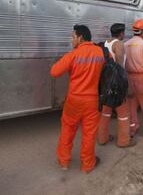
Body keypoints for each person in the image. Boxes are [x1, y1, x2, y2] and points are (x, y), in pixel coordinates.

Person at [50, 25, 105, 173]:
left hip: (74, 100)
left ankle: (64, 162)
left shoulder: (73, 55)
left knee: (68, 129)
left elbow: (54, 72)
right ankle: (87, 165)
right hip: (92, 100)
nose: (71, 40)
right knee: (89, 133)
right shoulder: (100, 52)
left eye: (73, 37)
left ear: (80, 38)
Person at [97, 23, 136, 148]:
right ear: (121, 33)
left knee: (106, 111)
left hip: (106, 81)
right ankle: (124, 141)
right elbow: (120, 63)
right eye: (123, 32)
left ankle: (102, 138)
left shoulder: (105, 43)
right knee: (123, 112)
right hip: (116, 81)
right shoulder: (118, 44)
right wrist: (123, 81)